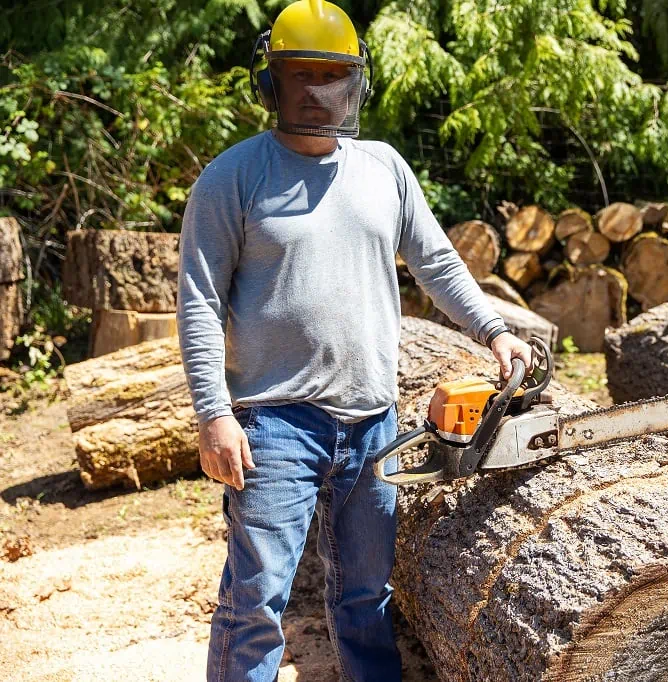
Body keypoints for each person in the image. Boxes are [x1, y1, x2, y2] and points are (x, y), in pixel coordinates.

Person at [175, 1, 533, 680]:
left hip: (374, 423)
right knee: (256, 602)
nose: (316, 92)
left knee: (367, 598)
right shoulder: (233, 177)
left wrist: (496, 330)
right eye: (300, 76)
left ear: (355, 83)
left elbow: (437, 263)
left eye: (332, 76)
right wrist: (214, 415)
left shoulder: (385, 169)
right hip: (273, 424)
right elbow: (197, 301)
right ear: (270, 83)